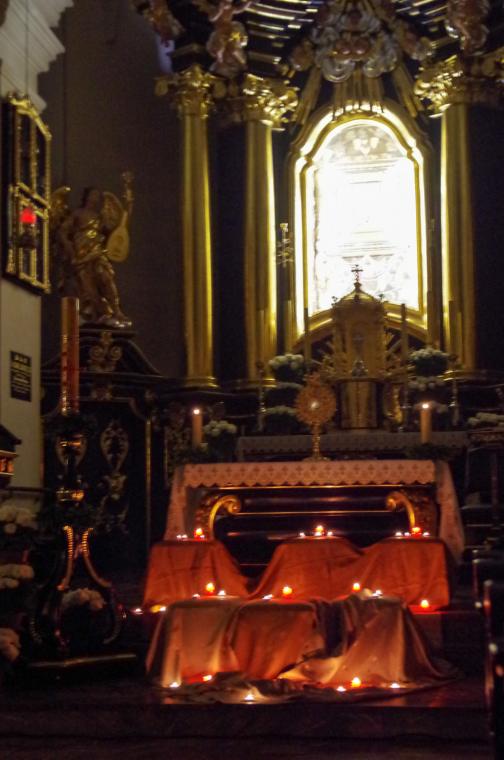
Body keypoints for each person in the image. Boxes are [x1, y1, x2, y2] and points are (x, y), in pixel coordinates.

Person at [58, 188, 131, 328]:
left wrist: (128, 205)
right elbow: (62, 231)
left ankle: (116, 310)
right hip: (81, 254)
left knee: (106, 277)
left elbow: (117, 230)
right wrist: (68, 245)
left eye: (97, 196)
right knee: (87, 288)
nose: (95, 198)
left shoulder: (100, 217)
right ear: (86, 197)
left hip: (97, 252)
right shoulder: (77, 214)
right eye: (93, 195)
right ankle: (95, 313)